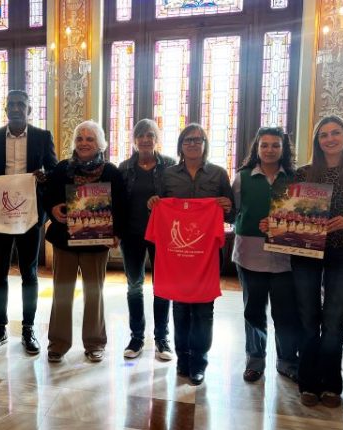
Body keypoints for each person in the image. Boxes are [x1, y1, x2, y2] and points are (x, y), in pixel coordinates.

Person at [291, 115, 343, 408]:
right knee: (308, 319)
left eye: (335, 133)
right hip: (306, 250)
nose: (330, 139)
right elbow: (292, 214)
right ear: (317, 140)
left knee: (334, 320)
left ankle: (330, 384)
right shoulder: (303, 173)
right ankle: (308, 383)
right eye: (324, 134)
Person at [0, 90, 57, 354]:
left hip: (29, 215)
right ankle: (0, 329)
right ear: (5, 109)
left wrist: (45, 175)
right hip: (0, 215)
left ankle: (28, 329)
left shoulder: (43, 137)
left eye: (20, 104)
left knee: (29, 273)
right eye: (10, 104)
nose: (15, 108)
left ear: (29, 110)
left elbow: (54, 169)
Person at [156, 123, 235, 386]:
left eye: (198, 140)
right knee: (180, 309)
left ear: (204, 144)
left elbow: (233, 214)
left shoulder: (218, 174)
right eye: (188, 140)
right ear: (180, 145)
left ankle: (199, 362)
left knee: (203, 310)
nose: (192, 144)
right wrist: (153, 204)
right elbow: (158, 208)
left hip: (206, 255)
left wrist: (227, 206)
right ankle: (183, 359)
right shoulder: (167, 175)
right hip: (177, 256)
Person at [44, 120, 126, 363]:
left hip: (96, 243)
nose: (84, 143)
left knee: (94, 293)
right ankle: (58, 344)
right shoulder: (62, 169)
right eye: (80, 138)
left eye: (90, 139)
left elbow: (121, 205)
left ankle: (94, 343)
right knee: (62, 292)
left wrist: (117, 233)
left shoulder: (111, 172)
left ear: (99, 143)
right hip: (65, 241)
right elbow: (48, 197)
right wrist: (53, 209)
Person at [232, 127, 300, 383]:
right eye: (265, 145)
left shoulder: (295, 179)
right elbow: (234, 214)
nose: (270, 150)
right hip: (250, 256)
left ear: (284, 149)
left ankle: (287, 361)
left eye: (275, 145)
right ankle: (255, 361)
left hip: (286, 259)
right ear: (257, 148)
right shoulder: (242, 178)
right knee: (254, 312)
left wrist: (279, 226)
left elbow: (305, 217)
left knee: (285, 314)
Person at [117, 119, 176, 360]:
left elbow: (176, 198)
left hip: (162, 234)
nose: (145, 139)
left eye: (150, 135)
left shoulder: (170, 165)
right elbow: (117, 202)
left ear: (156, 138)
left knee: (162, 286)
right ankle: (137, 337)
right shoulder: (124, 167)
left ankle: (162, 338)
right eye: (140, 135)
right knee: (134, 286)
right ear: (134, 139)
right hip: (131, 234)